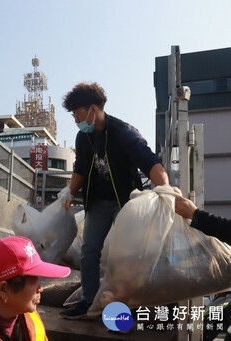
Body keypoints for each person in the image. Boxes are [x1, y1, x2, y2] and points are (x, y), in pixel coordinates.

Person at [58, 82, 169, 319]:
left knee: (125, 255)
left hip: (125, 203)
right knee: (89, 251)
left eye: (78, 114)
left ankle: (123, 309)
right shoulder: (82, 138)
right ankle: (88, 302)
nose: (77, 121)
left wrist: (166, 189)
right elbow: (80, 168)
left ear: (93, 109)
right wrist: (69, 192)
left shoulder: (123, 132)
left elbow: (149, 160)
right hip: (97, 202)